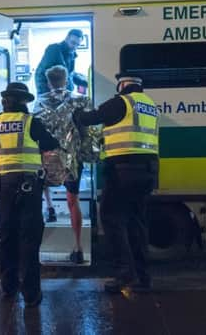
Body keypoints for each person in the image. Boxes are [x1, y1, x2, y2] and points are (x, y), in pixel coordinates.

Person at [74, 72, 159, 293]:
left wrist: (75, 111)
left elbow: (89, 118)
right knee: (137, 223)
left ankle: (124, 274)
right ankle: (142, 277)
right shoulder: (149, 104)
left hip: (123, 172)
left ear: (122, 84)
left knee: (112, 220)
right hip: (147, 171)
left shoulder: (121, 102)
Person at [0, 82, 59, 307]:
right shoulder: (31, 122)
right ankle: (32, 295)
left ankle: (9, 287)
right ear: (24, 101)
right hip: (29, 186)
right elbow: (50, 143)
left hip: (5, 185)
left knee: (7, 235)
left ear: (6, 101)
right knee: (29, 237)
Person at [34, 65, 92, 264]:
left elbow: (36, 133)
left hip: (48, 158)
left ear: (49, 81)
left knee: (42, 187)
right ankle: (78, 247)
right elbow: (89, 131)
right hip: (73, 160)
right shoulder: (80, 99)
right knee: (72, 201)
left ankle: (49, 208)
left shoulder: (39, 103)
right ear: (66, 80)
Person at [34, 29, 83, 95]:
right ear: (67, 38)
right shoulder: (54, 49)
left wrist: (86, 82)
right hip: (49, 93)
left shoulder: (71, 54)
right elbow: (48, 74)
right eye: (73, 43)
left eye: (78, 45)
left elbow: (69, 74)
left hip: (62, 93)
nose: (75, 47)